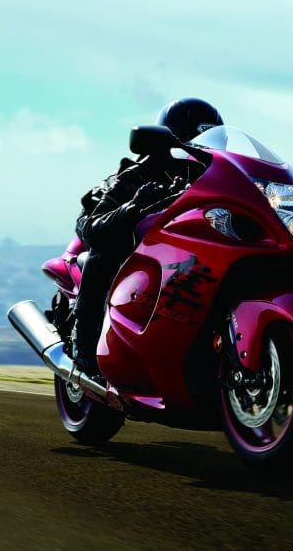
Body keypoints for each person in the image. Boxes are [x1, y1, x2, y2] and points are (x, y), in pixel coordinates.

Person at [71, 98, 224, 377]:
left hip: (174, 258)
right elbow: (92, 228)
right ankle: (85, 345)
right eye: (194, 142)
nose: (202, 150)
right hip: (127, 250)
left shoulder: (213, 177)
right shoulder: (139, 173)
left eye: (210, 142)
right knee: (110, 243)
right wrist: (135, 206)